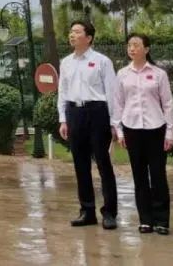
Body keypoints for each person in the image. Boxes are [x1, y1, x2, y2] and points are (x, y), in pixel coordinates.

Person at [57, 19, 119, 230]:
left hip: (97, 112)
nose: (72, 35)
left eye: (76, 32)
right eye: (71, 31)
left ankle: (109, 212)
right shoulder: (66, 62)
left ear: (89, 37)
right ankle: (87, 210)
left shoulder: (102, 61)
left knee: (103, 163)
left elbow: (112, 93)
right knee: (80, 164)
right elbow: (62, 92)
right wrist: (63, 119)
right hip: (75, 113)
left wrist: (114, 123)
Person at [112, 33, 173, 235]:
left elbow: (167, 103)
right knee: (139, 177)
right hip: (132, 130)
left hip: (156, 129)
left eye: (136, 45)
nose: (132, 48)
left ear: (146, 49)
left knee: (158, 176)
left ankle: (162, 220)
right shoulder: (122, 74)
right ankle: (145, 220)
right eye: (129, 45)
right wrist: (120, 131)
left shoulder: (159, 74)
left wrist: (169, 133)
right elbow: (118, 104)